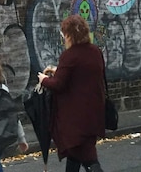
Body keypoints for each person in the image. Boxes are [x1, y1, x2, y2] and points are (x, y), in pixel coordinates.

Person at [37, 14, 105, 172]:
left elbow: (59, 84)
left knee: (87, 156)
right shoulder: (95, 51)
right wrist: (57, 70)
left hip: (75, 116)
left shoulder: (70, 55)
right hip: (94, 110)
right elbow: (83, 74)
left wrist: (43, 79)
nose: (63, 38)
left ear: (69, 35)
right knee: (77, 153)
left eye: (64, 34)